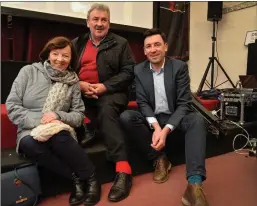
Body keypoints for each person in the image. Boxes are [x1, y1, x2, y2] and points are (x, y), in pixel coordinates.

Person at [6, 36, 101, 206]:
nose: (60, 59)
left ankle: (92, 179)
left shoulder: (72, 82)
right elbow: (12, 107)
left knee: (60, 137)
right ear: (48, 54)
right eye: (56, 54)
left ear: (71, 59)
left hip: (59, 126)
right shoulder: (28, 71)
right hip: (29, 127)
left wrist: (58, 116)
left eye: (65, 55)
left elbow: (79, 115)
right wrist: (41, 121)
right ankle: (76, 178)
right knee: (30, 144)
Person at [120, 28, 209, 206]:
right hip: (154, 118)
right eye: (149, 46)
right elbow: (143, 103)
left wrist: (166, 129)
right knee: (126, 116)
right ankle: (159, 158)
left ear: (166, 47)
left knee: (197, 120)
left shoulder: (179, 67)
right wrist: (156, 127)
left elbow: (184, 103)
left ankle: (194, 184)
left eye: (157, 45)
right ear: (144, 51)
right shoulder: (139, 70)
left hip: (176, 115)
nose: (153, 49)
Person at [71, 3, 135, 203]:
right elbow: (65, 70)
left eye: (104, 20)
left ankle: (123, 170)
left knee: (107, 108)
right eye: (95, 19)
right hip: (81, 92)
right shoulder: (77, 43)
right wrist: (79, 84)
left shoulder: (121, 43)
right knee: (66, 102)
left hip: (111, 93)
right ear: (88, 22)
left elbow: (129, 71)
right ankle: (89, 128)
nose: (99, 24)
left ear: (109, 23)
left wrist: (104, 86)